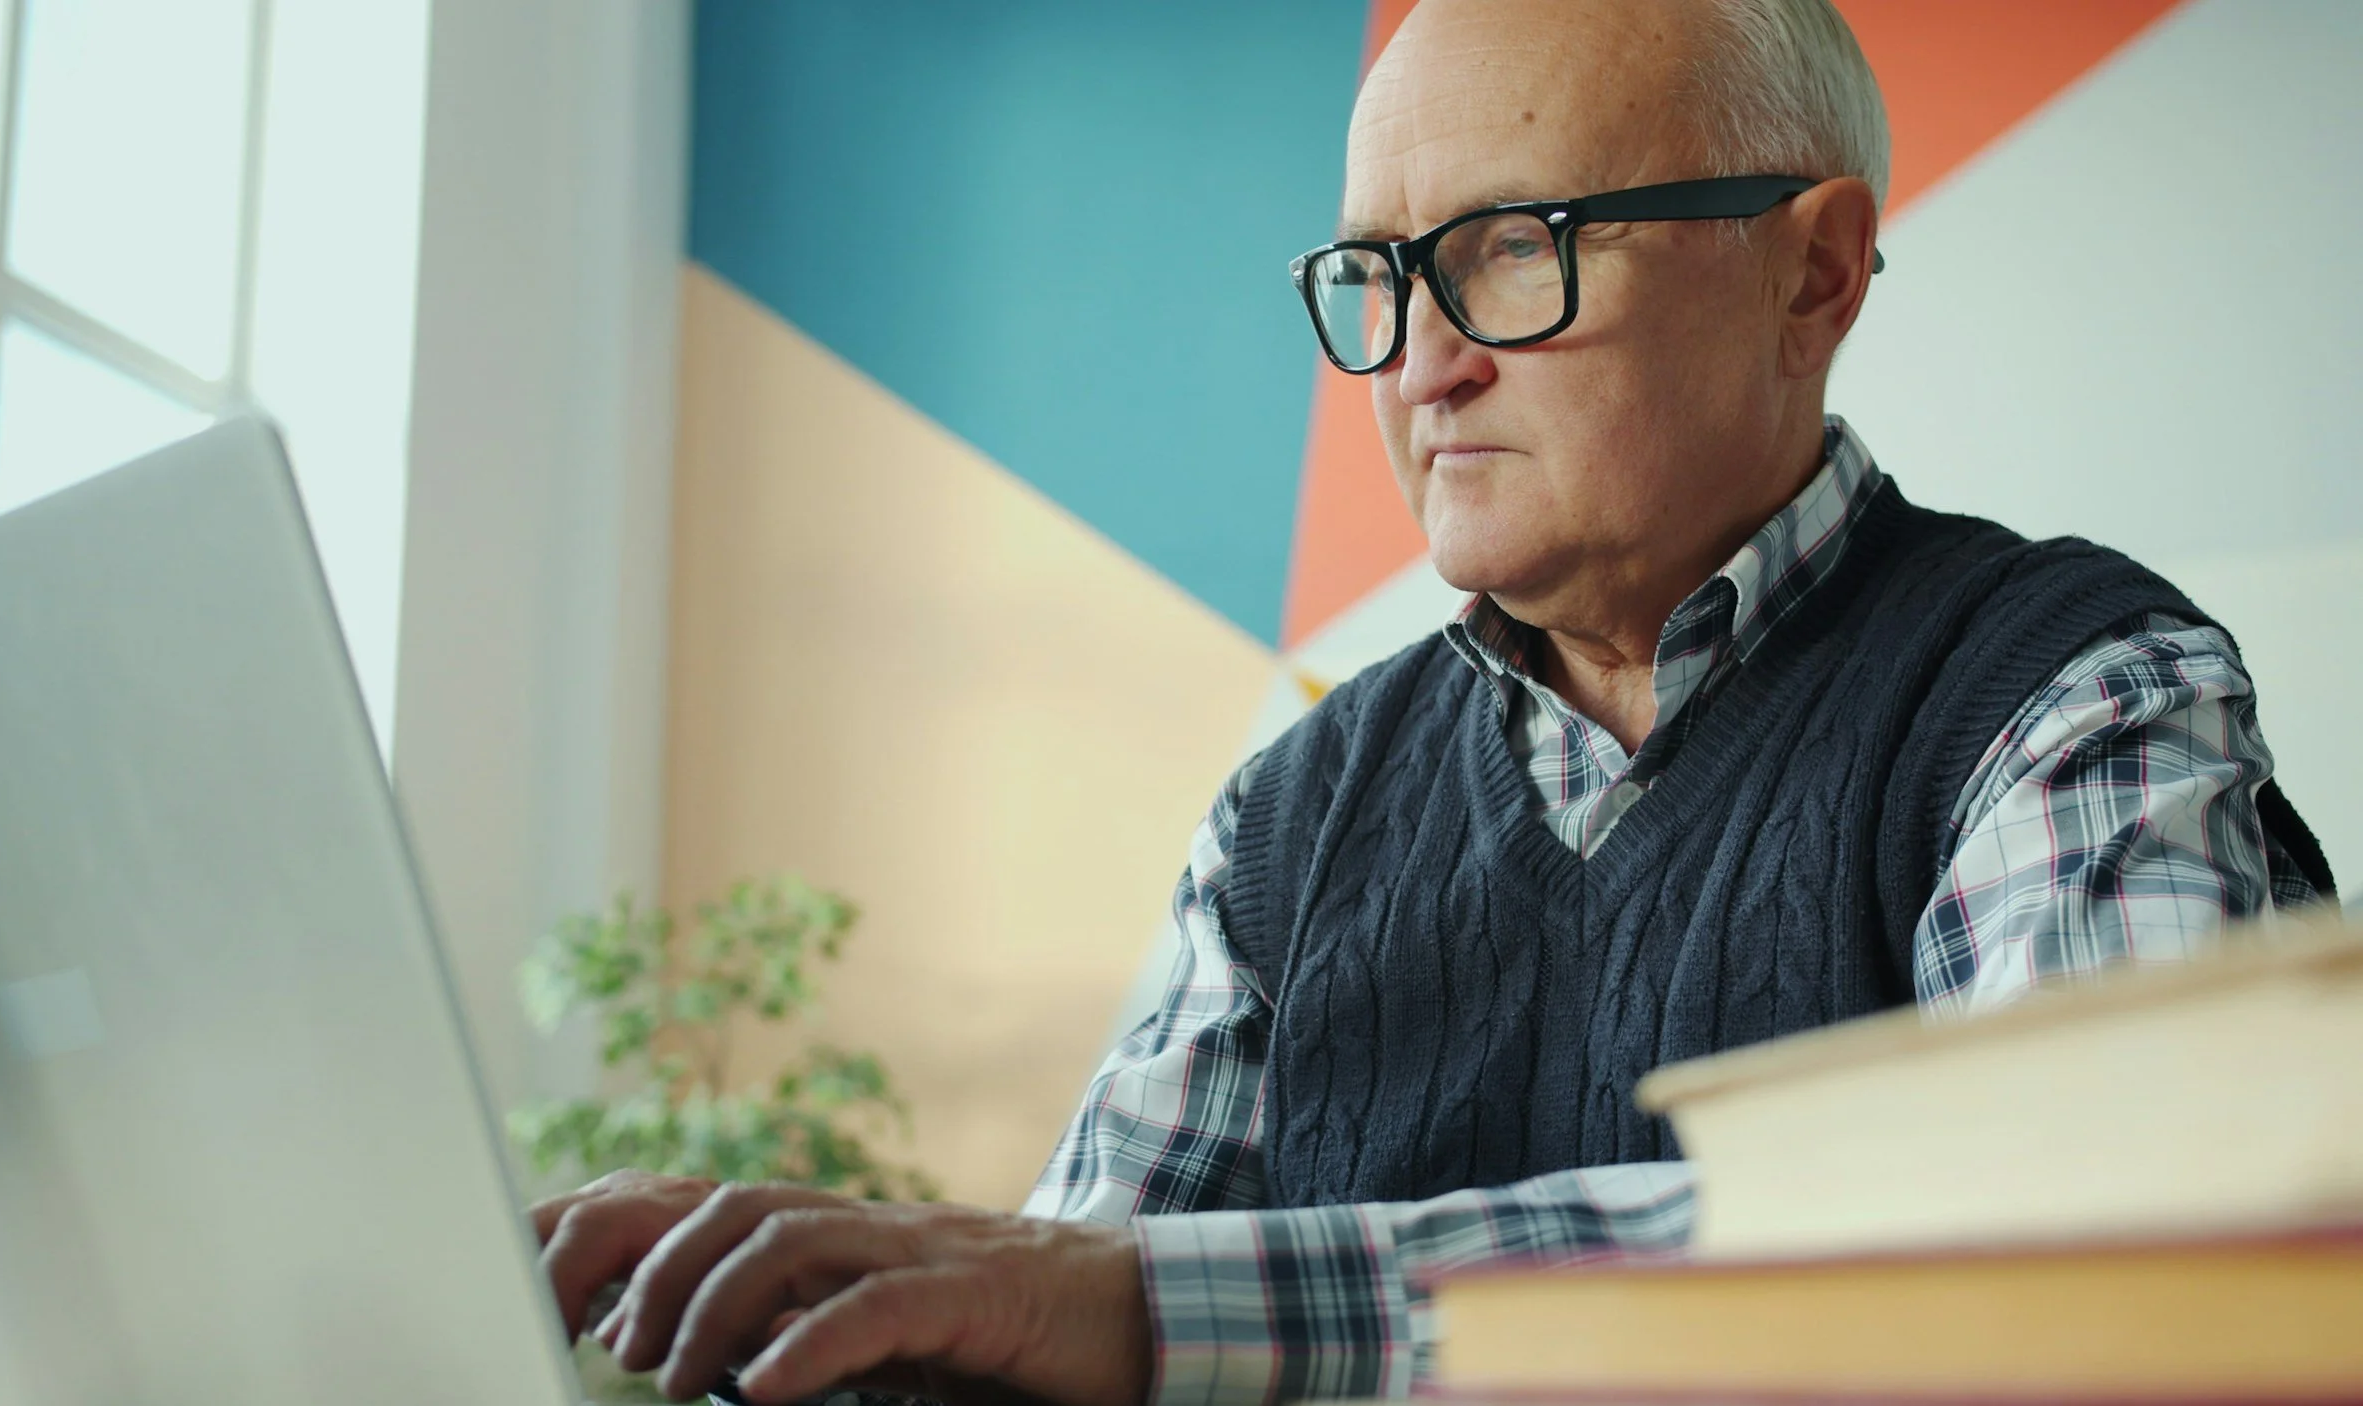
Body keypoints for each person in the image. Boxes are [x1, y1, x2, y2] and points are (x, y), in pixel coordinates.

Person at [528, 1, 2335, 1403]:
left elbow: (2085, 1239)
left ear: (1816, 272)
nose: (1422, 358)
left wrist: (1141, 1312)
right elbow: (1062, 1316)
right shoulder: (1291, 814)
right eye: (1379, 276)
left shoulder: (2069, 685)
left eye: (1510, 247)